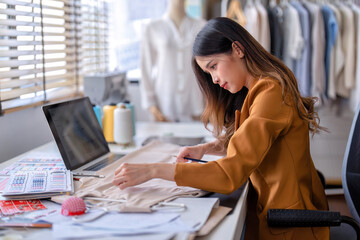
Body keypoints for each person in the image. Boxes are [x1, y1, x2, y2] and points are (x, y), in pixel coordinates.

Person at [114, 17, 329, 240]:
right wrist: (206, 148)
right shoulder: (261, 88)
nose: (214, 79)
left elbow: (230, 174)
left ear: (237, 49)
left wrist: (153, 171)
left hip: (291, 223)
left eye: (214, 67)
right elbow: (249, 141)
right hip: (278, 212)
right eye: (208, 73)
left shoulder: (271, 93)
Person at [140, 0, 206, 122]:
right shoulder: (153, 28)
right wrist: (151, 105)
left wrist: (210, 103)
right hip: (164, 104)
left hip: (195, 103)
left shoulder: (201, 26)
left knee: (198, 141)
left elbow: (208, 67)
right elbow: (145, 68)